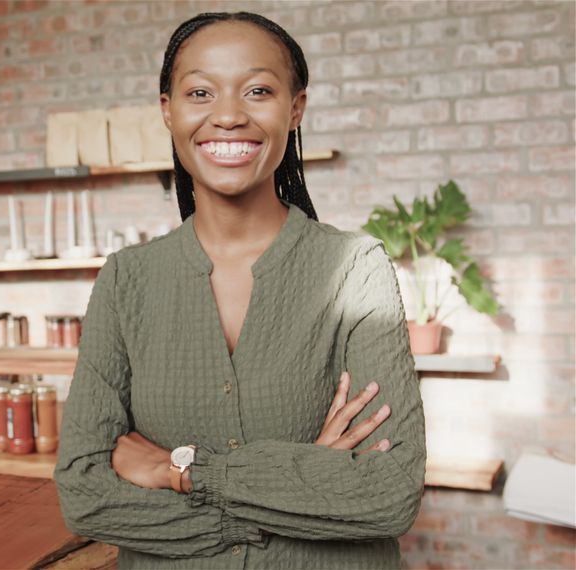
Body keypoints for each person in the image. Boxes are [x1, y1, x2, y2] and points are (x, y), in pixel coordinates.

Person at [53, 12, 426, 570]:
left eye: (258, 90)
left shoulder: (355, 267)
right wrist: (302, 479)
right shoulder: (127, 279)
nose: (228, 116)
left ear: (294, 108)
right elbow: (84, 494)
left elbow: (387, 494)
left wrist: (179, 470)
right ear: (168, 111)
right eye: (200, 92)